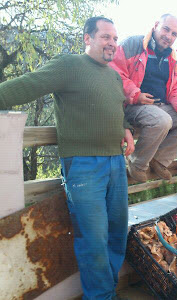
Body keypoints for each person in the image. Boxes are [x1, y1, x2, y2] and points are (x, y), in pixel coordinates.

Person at [0, 17, 133, 300]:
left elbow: (114, 111)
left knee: (117, 233)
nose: (112, 43)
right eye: (106, 37)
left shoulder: (113, 76)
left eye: (115, 38)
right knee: (93, 239)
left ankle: (105, 292)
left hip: (115, 163)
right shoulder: (69, 65)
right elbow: (26, 85)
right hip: (83, 165)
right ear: (87, 38)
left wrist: (126, 129)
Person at [110, 14, 177, 183]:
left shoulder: (174, 58)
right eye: (166, 29)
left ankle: (159, 159)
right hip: (132, 106)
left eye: (174, 34)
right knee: (162, 120)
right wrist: (135, 94)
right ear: (155, 25)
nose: (169, 36)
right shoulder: (133, 44)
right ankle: (137, 162)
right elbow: (115, 73)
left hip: (161, 107)